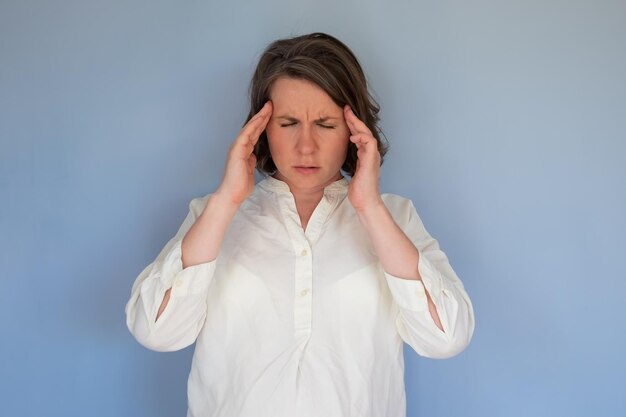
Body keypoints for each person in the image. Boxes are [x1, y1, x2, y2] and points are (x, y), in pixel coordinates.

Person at [125, 32, 474, 417]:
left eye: (325, 124)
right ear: (260, 129)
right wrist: (227, 200)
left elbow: (447, 337)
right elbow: (155, 331)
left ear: (355, 130)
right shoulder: (213, 216)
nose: (305, 147)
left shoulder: (396, 218)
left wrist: (370, 208)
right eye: (289, 123)